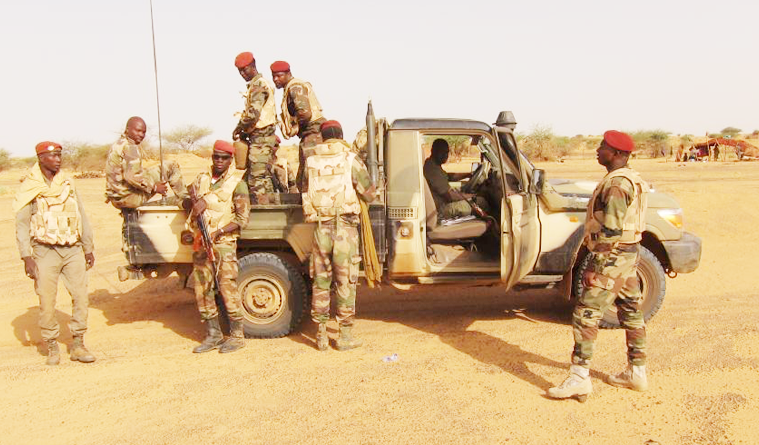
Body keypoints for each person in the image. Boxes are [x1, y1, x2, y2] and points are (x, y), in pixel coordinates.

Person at [548, 130, 650, 402]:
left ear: (616, 154)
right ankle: (637, 372)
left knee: (586, 313)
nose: (598, 149)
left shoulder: (617, 185)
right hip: (628, 254)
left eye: (603, 146)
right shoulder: (630, 178)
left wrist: (595, 266)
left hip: (614, 256)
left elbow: (612, 230)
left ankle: (579, 377)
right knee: (631, 310)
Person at [14, 141, 96, 365]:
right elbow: (22, 224)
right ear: (41, 159)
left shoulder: (68, 182)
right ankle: (51, 345)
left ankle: (78, 344)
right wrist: (26, 257)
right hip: (44, 251)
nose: (58, 160)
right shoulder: (30, 187)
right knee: (47, 301)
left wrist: (88, 247)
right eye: (52, 156)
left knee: (81, 297)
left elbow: (81, 215)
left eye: (59, 155)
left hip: (72, 249)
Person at [301, 120, 375, 351]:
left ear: (323, 138)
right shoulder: (351, 159)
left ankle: (321, 334)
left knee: (321, 281)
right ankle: (345, 336)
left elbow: (303, 190)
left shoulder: (310, 161)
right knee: (346, 281)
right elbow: (369, 193)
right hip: (345, 228)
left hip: (320, 228)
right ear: (341, 136)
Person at [187, 140, 250, 354]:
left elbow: (242, 219)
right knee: (202, 288)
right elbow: (187, 199)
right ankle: (213, 334)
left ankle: (237, 336)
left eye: (224, 157)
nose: (219, 161)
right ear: (212, 157)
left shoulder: (237, 183)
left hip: (223, 244)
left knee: (227, 287)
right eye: (216, 157)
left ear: (231, 159)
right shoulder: (201, 179)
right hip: (201, 242)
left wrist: (219, 232)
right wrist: (193, 205)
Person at [104, 116, 188, 209]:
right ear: (127, 130)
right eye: (138, 131)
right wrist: (155, 187)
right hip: (130, 199)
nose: (141, 135)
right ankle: (185, 201)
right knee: (171, 166)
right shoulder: (130, 147)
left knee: (146, 172)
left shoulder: (118, 144)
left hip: (116, 198)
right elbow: (132, 177)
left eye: (144, 132)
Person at [270, 60, 326, 190]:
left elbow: (305, 113)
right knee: (303, 178)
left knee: (310, 176)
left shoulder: (294, 87)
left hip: (314, 133)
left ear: (288, 73)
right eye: (274, 76)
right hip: (310, 134)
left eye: (279, 75)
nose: (276, 79)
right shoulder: (291, 87)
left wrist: (295, 127)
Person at [233, 52, 279, 204]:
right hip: (260, 136)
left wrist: (239, 128)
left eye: (245, 69)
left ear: (253, 65)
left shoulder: (258, 85)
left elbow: (253, 114)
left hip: (261, 136)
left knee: (256, 180)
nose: (242, 74)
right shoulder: (259, 84)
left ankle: (263, 212)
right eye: (240, 71)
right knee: (262, 177)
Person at [423, 138, 488, 219]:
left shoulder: (432, 164)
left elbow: (449, 177)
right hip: (441, 210)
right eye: (442, 152)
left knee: (471, 197)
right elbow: (450, 197)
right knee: (481, 202)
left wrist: (468, 175)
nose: (445, 155)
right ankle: (488, 225)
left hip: (442, 204)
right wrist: (473, 196)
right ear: (433, 151)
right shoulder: (432, 170)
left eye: (446, 152)